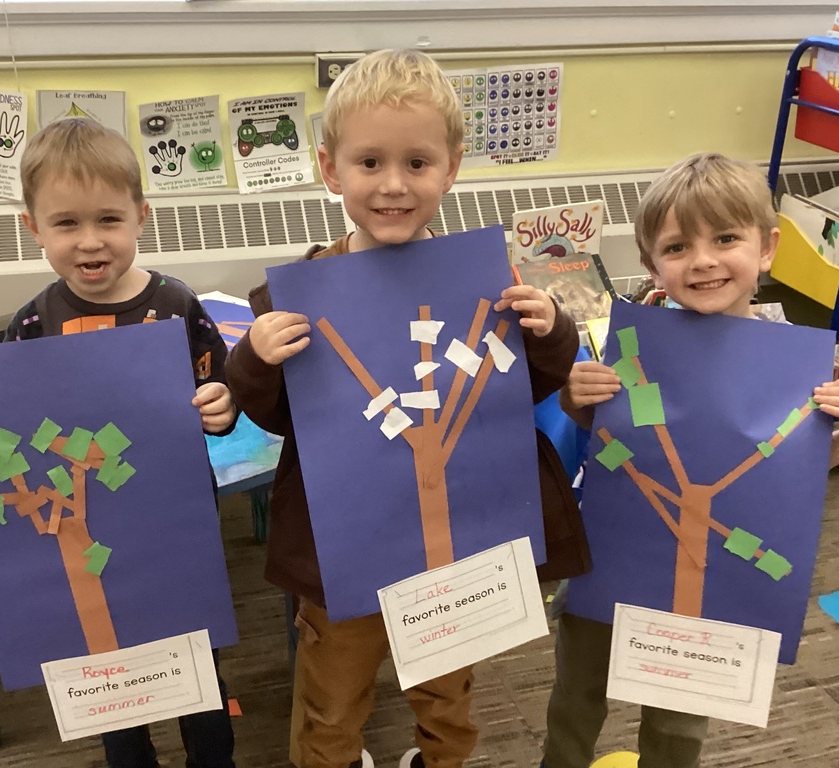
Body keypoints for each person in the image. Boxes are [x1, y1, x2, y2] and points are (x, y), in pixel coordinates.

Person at [224, 49, 589, 768]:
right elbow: (274, 418)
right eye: (370, 164)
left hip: (453, 548)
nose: (393, 185)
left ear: (451, 167)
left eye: (417, 164)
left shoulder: (486, 289)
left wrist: (551, 328)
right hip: (342, 550)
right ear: (331, 170)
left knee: (447, 692)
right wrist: (254, 360)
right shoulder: (300, 295)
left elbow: (522, 395)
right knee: (331, 697)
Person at [0, 117, 238, 768]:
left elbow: (218, 393)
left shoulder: (176, 305)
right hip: (77, 535)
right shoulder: (33, 322)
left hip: (172, 531)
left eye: (109, 220)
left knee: (197, 671)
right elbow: (2, 423)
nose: (91, 243)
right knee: (107, 671)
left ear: (141, 217)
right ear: (33, 227)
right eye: (66, 224)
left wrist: (221, 410)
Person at [544, 152, 839, 768]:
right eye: (677, 247)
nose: (702, 260)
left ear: (768, 247)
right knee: (577, 693)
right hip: (616, 556)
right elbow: (615, 449)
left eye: (726, 238)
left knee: (677, 723)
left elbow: (775, 481)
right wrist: (577, 400)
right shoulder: (633, 352)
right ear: (651, 264)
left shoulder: (792, 372)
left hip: (716, 582)